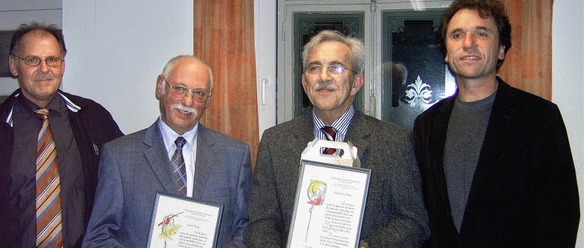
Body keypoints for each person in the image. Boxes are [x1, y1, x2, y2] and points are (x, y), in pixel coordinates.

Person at [413, 0, 580, 247]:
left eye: (482, 33)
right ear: (447, 52)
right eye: (457, 34)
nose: (468, 43)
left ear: (501, 49)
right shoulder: (426, 125)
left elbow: (561, 215)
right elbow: (424, 214)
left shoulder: (540, 117)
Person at [246, 30, 430, 247]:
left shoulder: (394, 142)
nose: (324, 77)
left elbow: (413, 221)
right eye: (315, 68)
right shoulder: (275, 141)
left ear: (356, 83)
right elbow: (260, 222)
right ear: (305, 83)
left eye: (336, 67)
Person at [0, 22, 124, 247]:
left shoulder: (93, 119)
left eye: (52, 59)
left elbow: (125, 180)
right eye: (32, 60)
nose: (44, 68)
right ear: (14, 66)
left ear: (62, 65)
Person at [82, 55, 252, 247]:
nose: (188, 101)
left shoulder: (234, 155)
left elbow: (248, 228)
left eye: (199, 93)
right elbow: (98, 237)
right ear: (160, 86)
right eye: (180, 89)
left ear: (208, 101)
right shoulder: (119, 156)